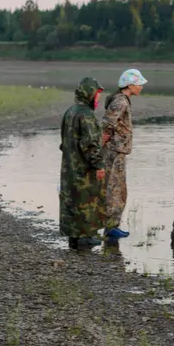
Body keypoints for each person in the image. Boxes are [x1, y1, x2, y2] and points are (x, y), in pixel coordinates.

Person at [58, 77, 107, 249]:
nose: (99, 98)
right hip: (83, 168)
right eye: (97, 94)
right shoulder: (86, 115)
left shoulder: (70, 111)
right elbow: (90, 145)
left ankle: (74, 237)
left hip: (68, 167)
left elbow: (63, 141)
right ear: (89, 94)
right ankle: (84, 238)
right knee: (87, 200)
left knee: (71, 200)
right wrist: (98, 165)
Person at [101, 68, 147, 238]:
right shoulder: (120, 102)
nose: (141, 87)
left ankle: (111, 226)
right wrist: (100, 149)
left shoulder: (123, 100)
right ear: (129, 85)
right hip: (114, 152)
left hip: (116, 151)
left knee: (116, 189)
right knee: (116, 190)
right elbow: (107, 125)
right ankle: (111, 227)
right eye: (139, 84)